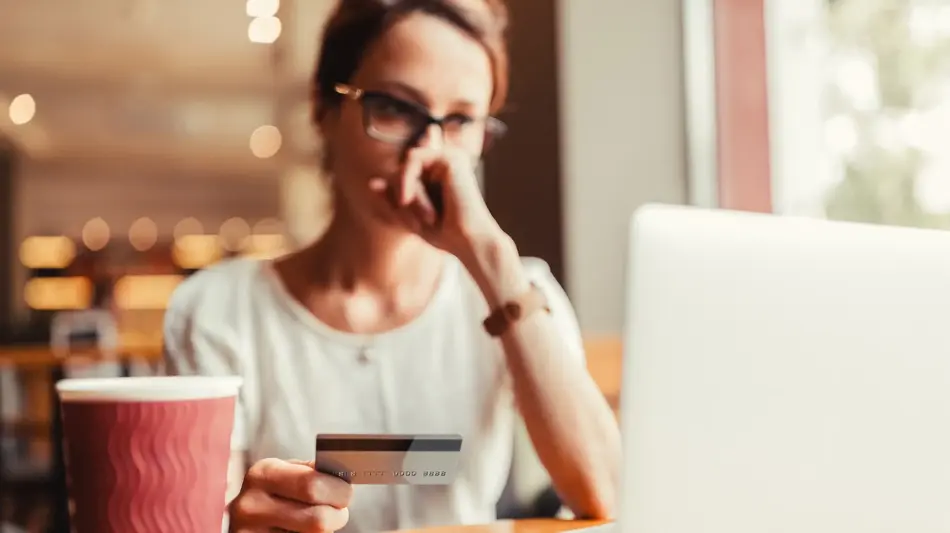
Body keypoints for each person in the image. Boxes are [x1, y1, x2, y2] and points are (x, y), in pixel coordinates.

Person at [161, 0, 622, 531]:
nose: (428, 153)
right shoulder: (219, 311)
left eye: (460, 122)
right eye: (397, 109)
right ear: (323, 110)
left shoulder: (516, 293)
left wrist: (494, 259)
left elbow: (603, 493)